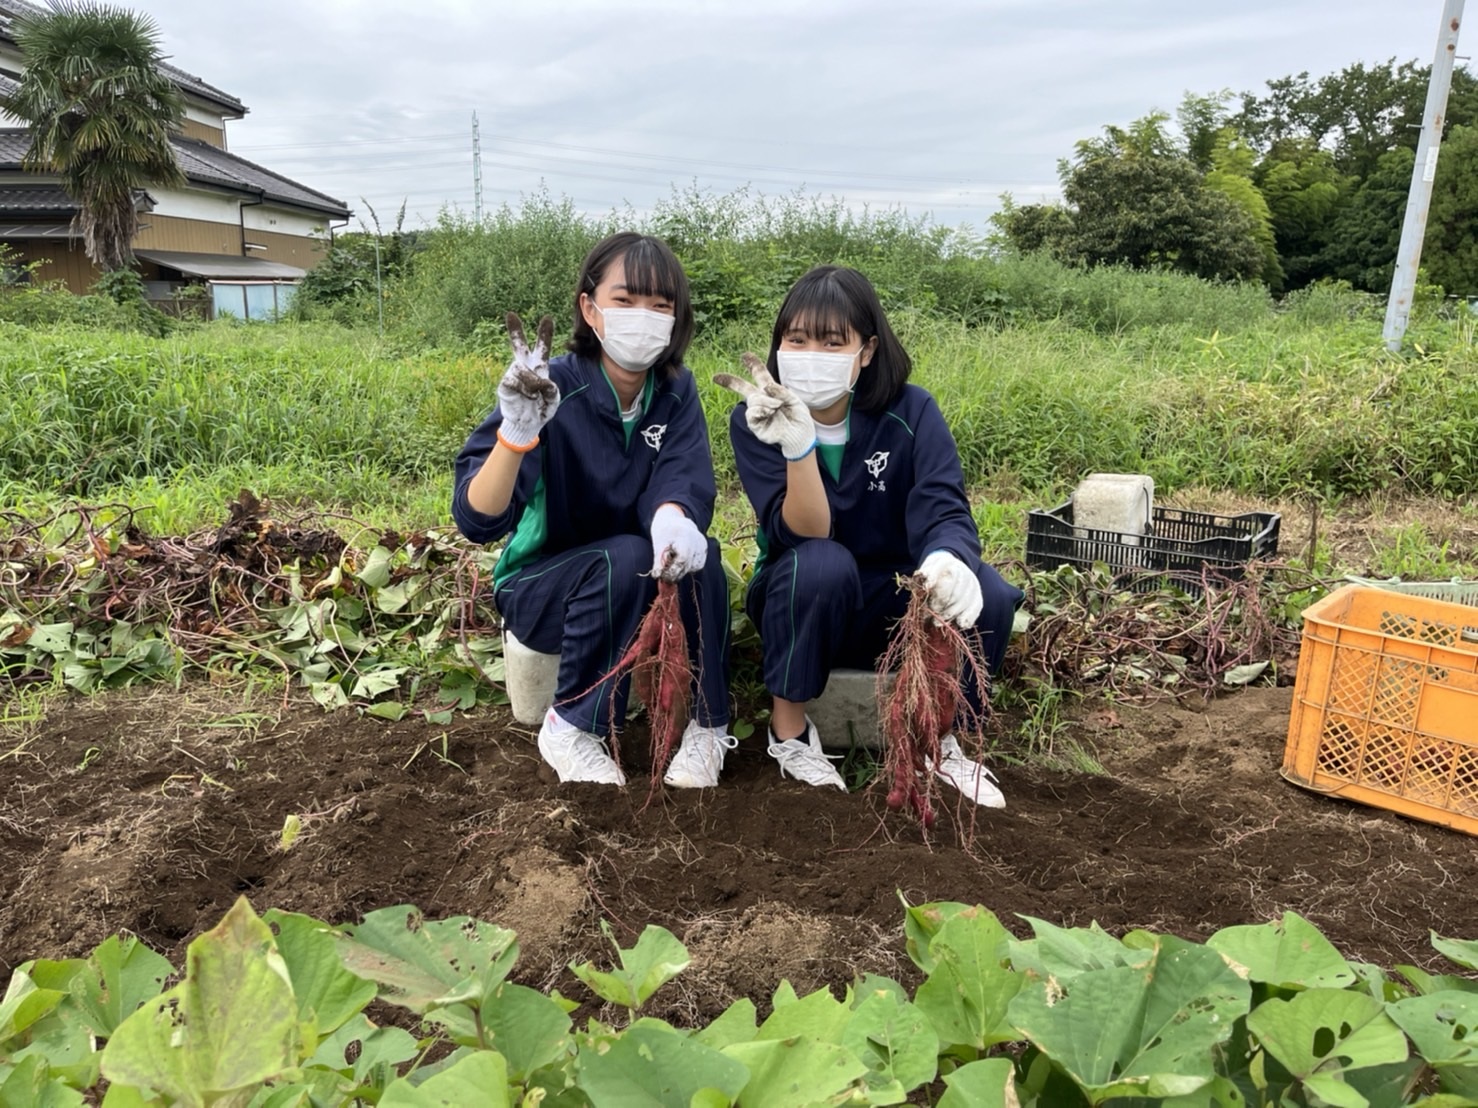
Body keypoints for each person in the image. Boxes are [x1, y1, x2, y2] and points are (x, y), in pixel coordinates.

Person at [717, 265, 1023, 806]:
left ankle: (944, 740)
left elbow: (943, 504)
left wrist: (946, 559)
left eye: (833, 341)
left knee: (991, 595)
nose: (812, 353)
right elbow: (801, 532)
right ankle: (788, 733)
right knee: (822, 563)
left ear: (866, 350)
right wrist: (798, 446)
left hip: (892, 596)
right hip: (802, 594)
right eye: (798, 339)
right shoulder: (758, 420)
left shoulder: (911, 411)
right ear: (779, 346)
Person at [453, 232, 735, 788]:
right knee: (625, 555)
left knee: (702, 557)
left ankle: (706, 725)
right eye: (625, 300)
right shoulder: (548, 387)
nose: (643, 317)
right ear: (590, 307)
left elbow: (682, 477)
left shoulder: (676, 390)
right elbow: (477, 520)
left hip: (634, 579)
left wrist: (674, 521)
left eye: (660, 305)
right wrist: (515, 434)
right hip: (542, 586)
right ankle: (571, 725)